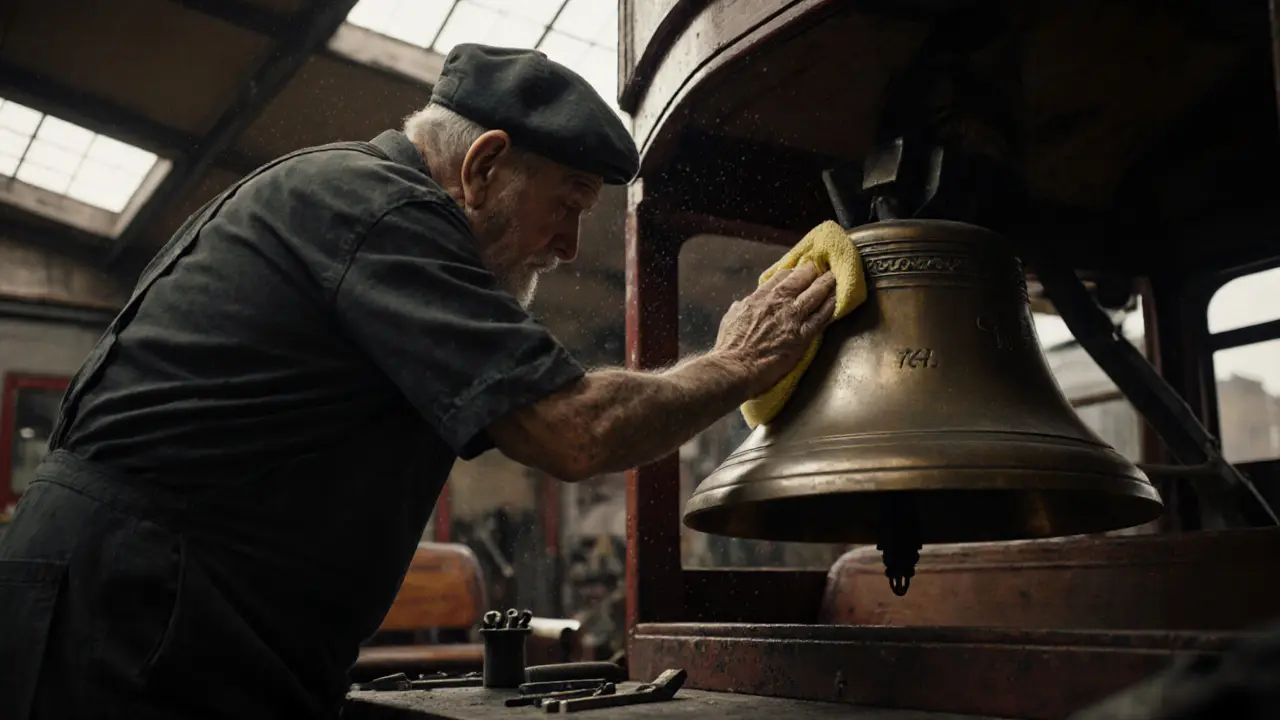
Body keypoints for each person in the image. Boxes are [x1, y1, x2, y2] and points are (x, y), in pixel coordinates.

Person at [0, 44, 837, 719]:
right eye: (570, 202)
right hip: (132, 629)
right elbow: (574, 430)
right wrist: (735, 366)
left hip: (149, 616)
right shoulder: (381, 211)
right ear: (484, 165)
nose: (571, 246)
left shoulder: (340, 195)